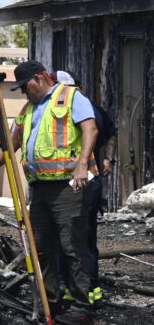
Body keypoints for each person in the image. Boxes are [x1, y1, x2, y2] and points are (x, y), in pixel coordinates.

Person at [0, 60, 98, 322]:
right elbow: (12, 143)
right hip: (39, 188)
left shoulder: (71, 97)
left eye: (25, 87)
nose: (24, 93)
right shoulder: (29, 109)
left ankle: (82, 307)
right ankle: (51, 303)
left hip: (68, 186)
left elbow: (91, 129)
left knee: (72, 247)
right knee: (42, 248)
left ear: (39, 78)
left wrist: (82, 165)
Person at [56, 70, 117, 305]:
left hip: (82, 180)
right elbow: (110, 133)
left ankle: (84, 289)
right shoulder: (85, 108)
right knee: (82, 235)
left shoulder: (80, 109)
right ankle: (86, 288)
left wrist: (107, 158)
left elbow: (109, 132)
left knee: (77, 236)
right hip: (81, 179)